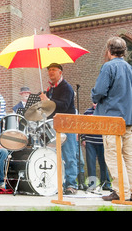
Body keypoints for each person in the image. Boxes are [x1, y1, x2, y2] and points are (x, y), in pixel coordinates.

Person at [91, 36, 132, 202]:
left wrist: (94, 96)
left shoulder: (108, 67)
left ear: (109, 51)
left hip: (112, 119)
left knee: (114, 155)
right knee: (130, 156)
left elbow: (98, 92)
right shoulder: (131, 69)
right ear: (124, 52)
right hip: (128, 119)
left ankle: (121, 192)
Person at [39, 62, 78, 195]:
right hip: (56, 125)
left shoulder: (66, 87)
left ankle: (72, 185)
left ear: (60, 72)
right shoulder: (50, 89)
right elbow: (51, 110)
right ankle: (60, 183)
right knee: (57, 156)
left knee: (70, 155)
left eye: (54, 70)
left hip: (68, 124)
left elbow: (64, 106)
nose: (50, 72)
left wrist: (48, 101)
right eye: (49, 70)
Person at [80, 104, 111, 190]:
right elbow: (82, 126)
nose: (95, 104)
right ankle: (92, 184)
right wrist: (83, 139)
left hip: (102, 141)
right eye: (94, 102)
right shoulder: (87, 112)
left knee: (104, 163)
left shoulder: (104, 111)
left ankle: (106, 183)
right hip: (90, 142)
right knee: (91, 164)